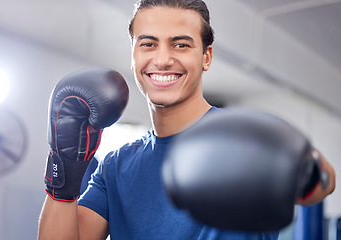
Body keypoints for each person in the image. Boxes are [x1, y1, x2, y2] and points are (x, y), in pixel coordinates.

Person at [38, 0, 336, 239]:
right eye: (148, 44)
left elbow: (324, 184)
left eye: (181, 44)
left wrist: (302, 171)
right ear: (133, 54)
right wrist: (63, 168)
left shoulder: (245, 137)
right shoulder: (115, 167)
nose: (163, 59)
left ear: (206, 56)